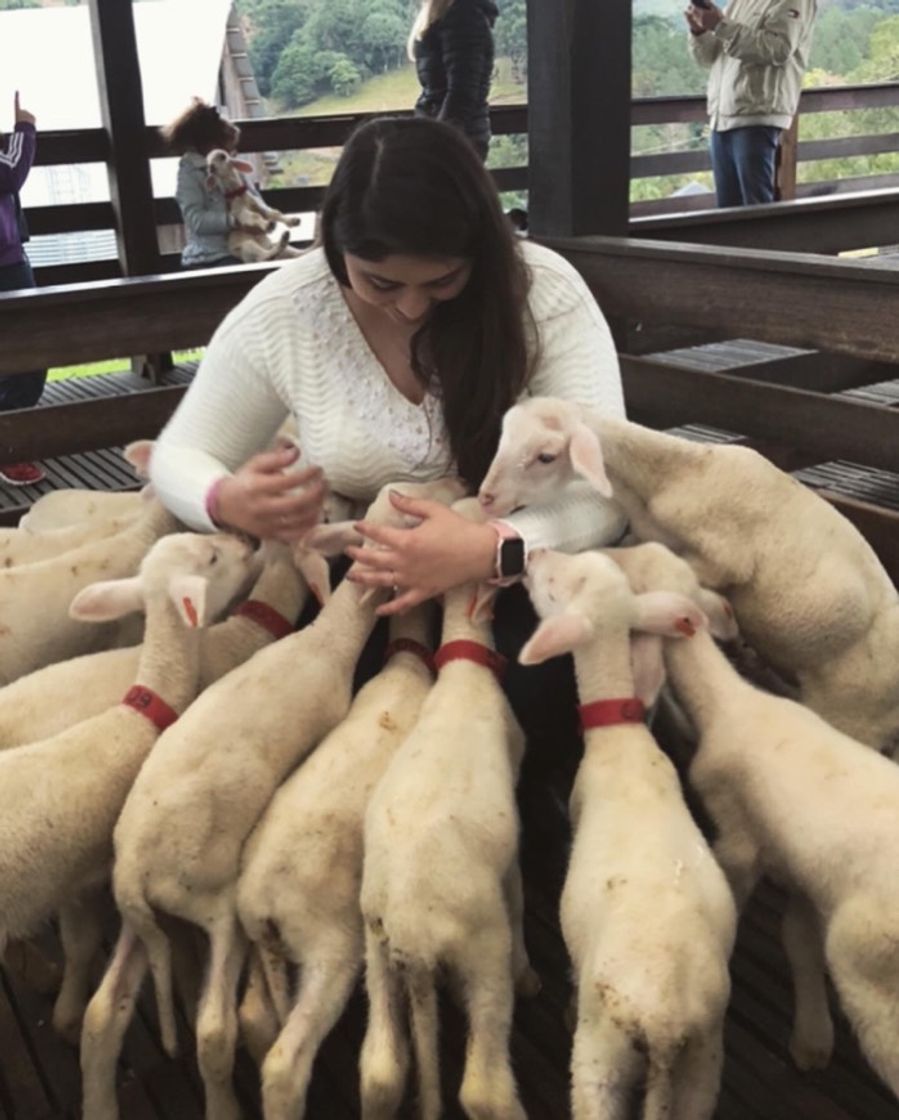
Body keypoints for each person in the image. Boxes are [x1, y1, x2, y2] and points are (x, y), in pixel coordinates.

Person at [150, 115, 626, 754]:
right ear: (335, 247)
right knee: (291, 716)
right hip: (360, 579)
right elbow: (181, 451)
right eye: (380, 283)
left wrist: (491, 548)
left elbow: (606, 487)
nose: (410, 307)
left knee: (536, 693)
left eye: (442, 281)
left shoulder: (543, 296)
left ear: (478, 253)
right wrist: (223, 499)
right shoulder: (288, 310)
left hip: (523, 570)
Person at [686, 0, 817, 208]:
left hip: (757, 116)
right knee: (727, 216)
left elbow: (777, 49)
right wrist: (699, 32)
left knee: (756, 212)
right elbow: (709, 58)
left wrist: (720, 25)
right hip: (722, 117)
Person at [0, 91, 46, 487]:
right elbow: (10, 172)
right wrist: (25, 127)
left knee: (25, 356)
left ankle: (13, 442)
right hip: (6, 265)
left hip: (10, 260)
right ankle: (10, 449)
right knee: (29, 352)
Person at [160, 97, 258, 269]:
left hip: (243, 245)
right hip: (209, 256)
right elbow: (196, 220)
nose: (231, 154)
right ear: (210, 145)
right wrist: (233, 221)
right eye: (227, 149)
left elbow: (251, 197)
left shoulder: (230, 165)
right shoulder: (190, 174)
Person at [409, 0, 498, 161]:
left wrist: (438, 144)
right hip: (446, 136)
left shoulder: (463, 15)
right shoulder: (448, 13)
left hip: (455, 143)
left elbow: (462, 93)